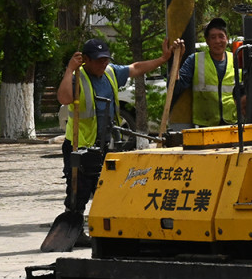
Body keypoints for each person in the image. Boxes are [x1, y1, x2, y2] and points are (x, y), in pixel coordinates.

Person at [57, 36, 182, 214]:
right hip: (80, 145)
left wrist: (162, 59)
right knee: (78, 191)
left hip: (105, 144)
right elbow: (64, 98)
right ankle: (73, 227)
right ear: (86, 59)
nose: (103, 64)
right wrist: (69, 69)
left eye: (106, 59)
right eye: (99, 60)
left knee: (107, 189)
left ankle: (102, 226)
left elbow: (136, 68)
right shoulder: (77, 76)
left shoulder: (110, 72)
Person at [175, 17, 244, 127]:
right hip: (204, 125)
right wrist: (177, 59)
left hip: (232, 124)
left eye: (221, 36)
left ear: (227, 39)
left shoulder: (236, 60)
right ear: (207, 41)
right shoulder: (195, 60)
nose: (217, 41)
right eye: (213, 37)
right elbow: (177, 86)